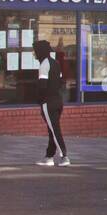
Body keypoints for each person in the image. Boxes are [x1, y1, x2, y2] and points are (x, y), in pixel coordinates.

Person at [33, 39, 69, 167]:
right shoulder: (56, 63)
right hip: (58, 101)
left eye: (35, 51)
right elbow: (60, 82)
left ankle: (64, 156)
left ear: (40, 51)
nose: (34, 54)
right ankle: (49, 157)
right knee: (52, 129)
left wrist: (39, 100)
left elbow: (42, 86)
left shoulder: (44, 65)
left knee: (54, 130)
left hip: (48, 103)